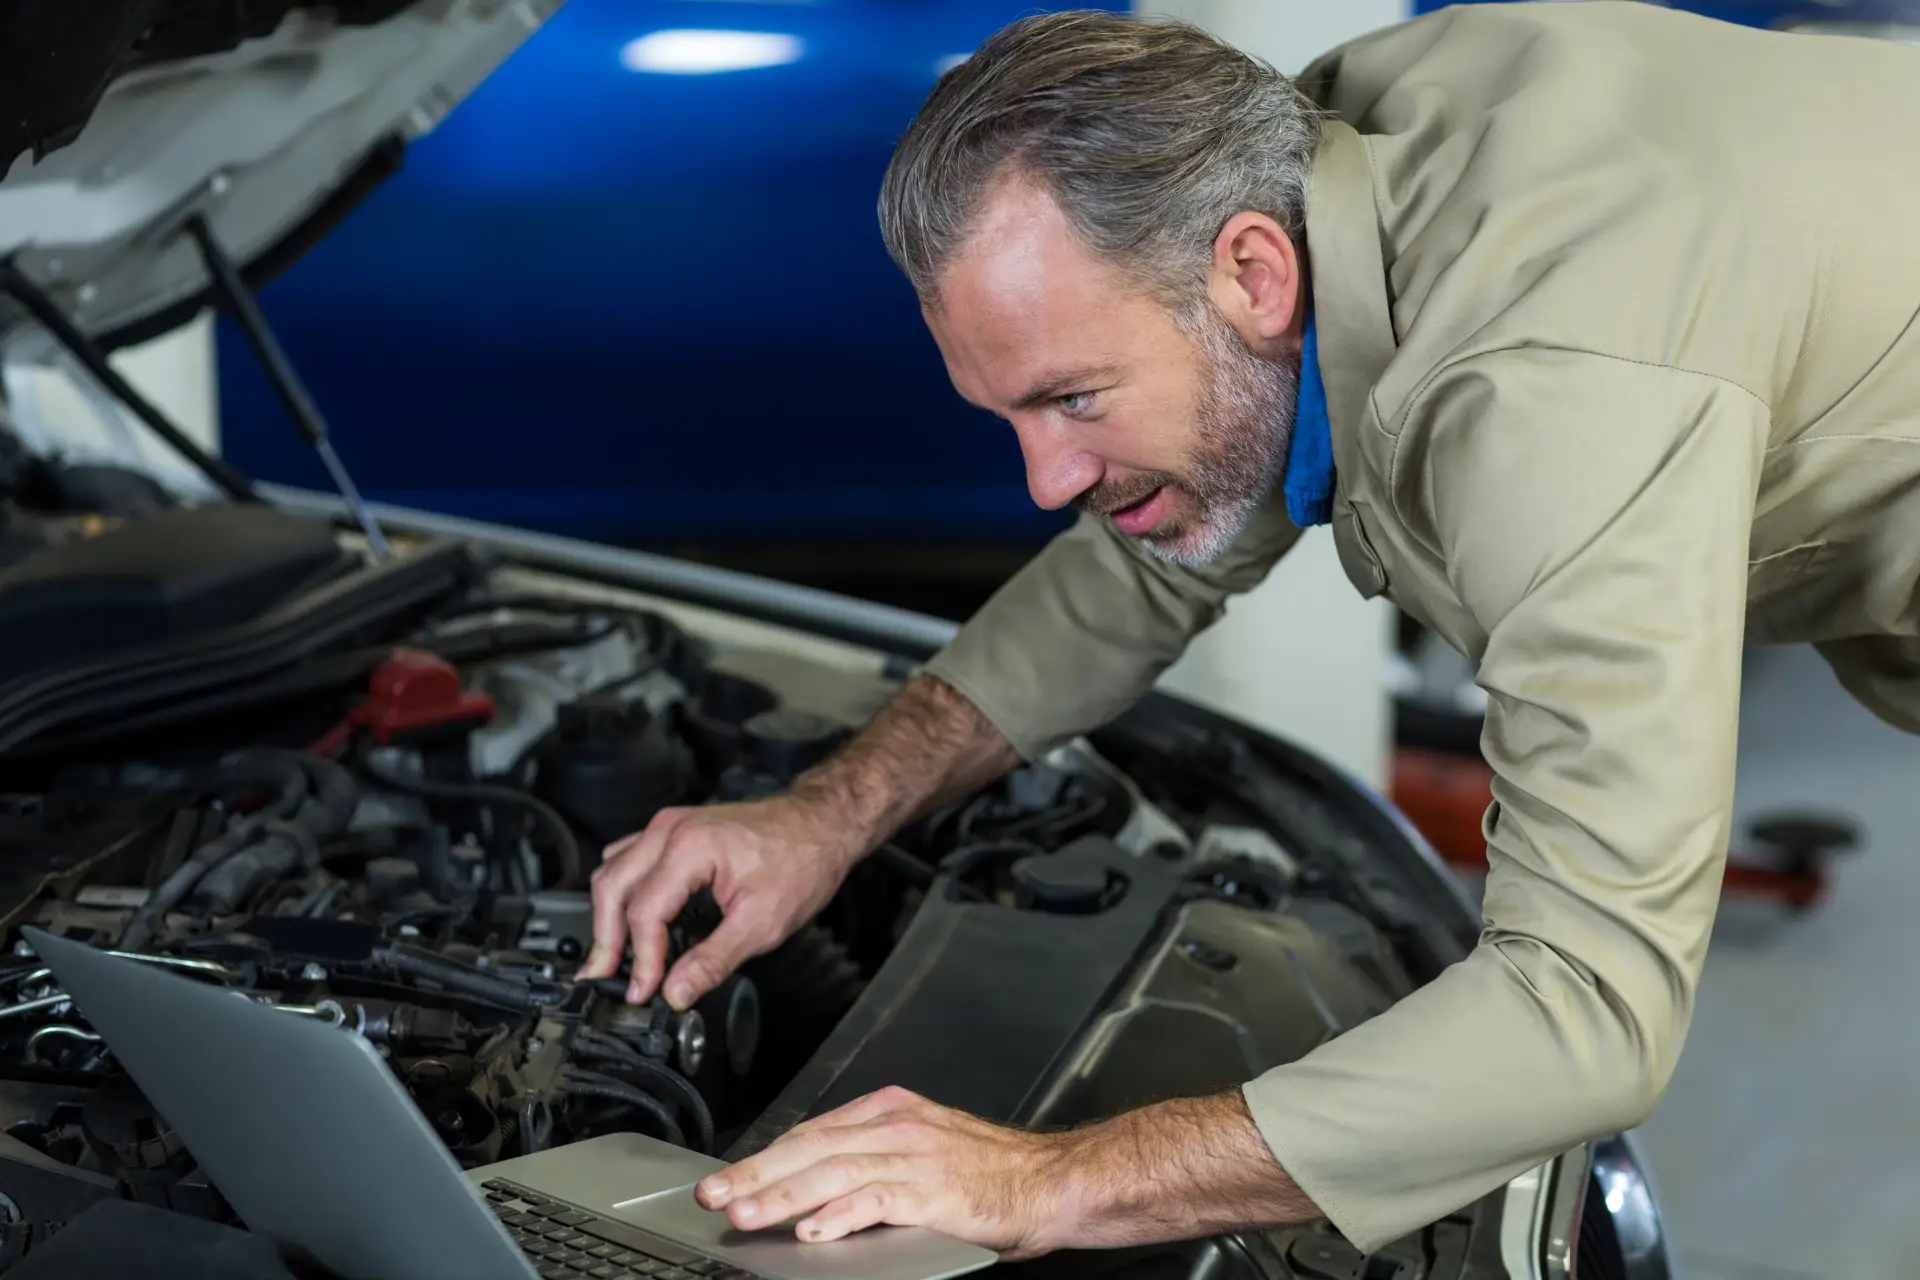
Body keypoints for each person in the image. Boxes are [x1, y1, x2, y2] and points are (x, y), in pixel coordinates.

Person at [576, 2, 1920, 1260]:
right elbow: (1141, 572)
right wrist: (827, 813)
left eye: (1073, 399)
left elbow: (1588, 1009)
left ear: (1254, 276)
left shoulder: (1553, 393)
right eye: (1011, 416)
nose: (1043, 481)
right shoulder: (1320, 163)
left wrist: (1049, 1177)